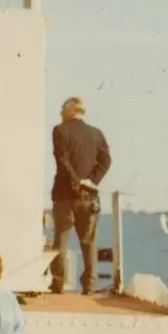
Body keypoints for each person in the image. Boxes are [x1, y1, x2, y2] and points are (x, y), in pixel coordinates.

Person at [48, 97, 111, 295]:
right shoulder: (97, 133)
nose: (60, 113)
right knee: (89, 241)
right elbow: (106, 160)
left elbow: (62, 160)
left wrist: (75, 181)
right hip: (89, 197)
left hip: (65, 196)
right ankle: (90, 285)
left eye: (62, 109)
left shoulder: (60, 130)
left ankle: (58, 283)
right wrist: (90, 180)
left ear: (69, 110)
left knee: (60, 242)